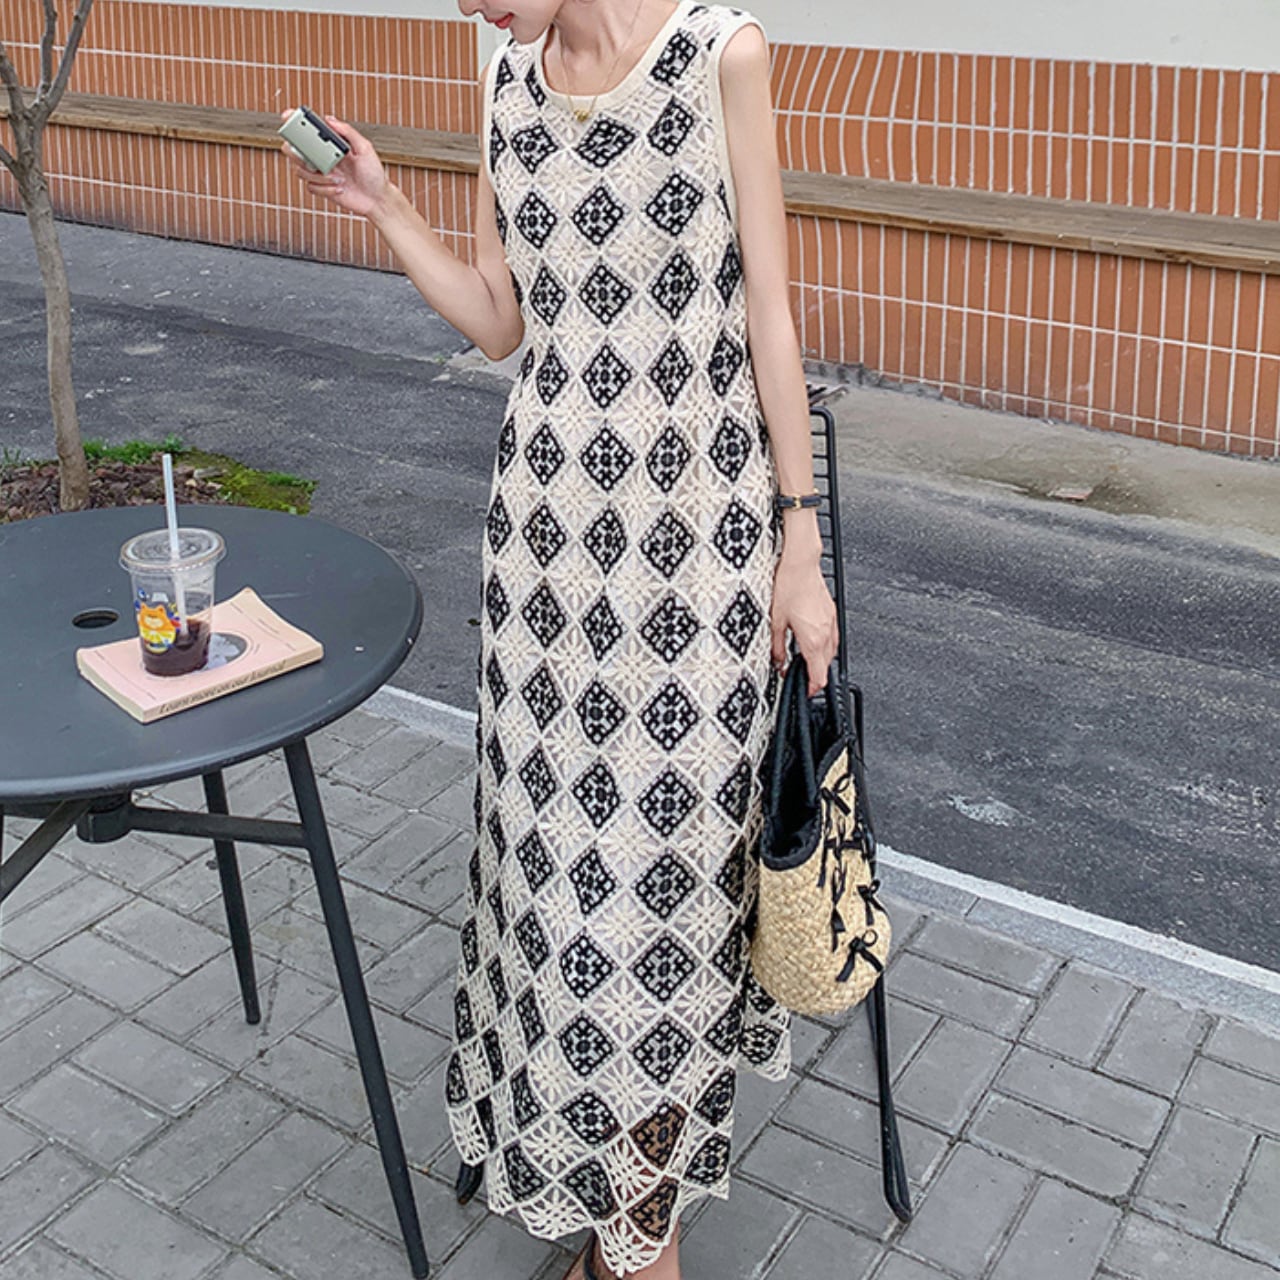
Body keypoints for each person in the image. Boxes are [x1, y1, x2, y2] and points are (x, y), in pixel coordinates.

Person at [284, 2, 838, 1275]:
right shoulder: (505, 83)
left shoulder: (719, 55)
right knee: (555, 886)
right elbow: (499, 320)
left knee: (663, 898)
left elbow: (769, 314)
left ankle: (639, 1235)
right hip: (546, 560)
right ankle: (609, 1203)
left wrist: (799, 545)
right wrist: (383, 205)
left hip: (695, 552)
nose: (465, 5)